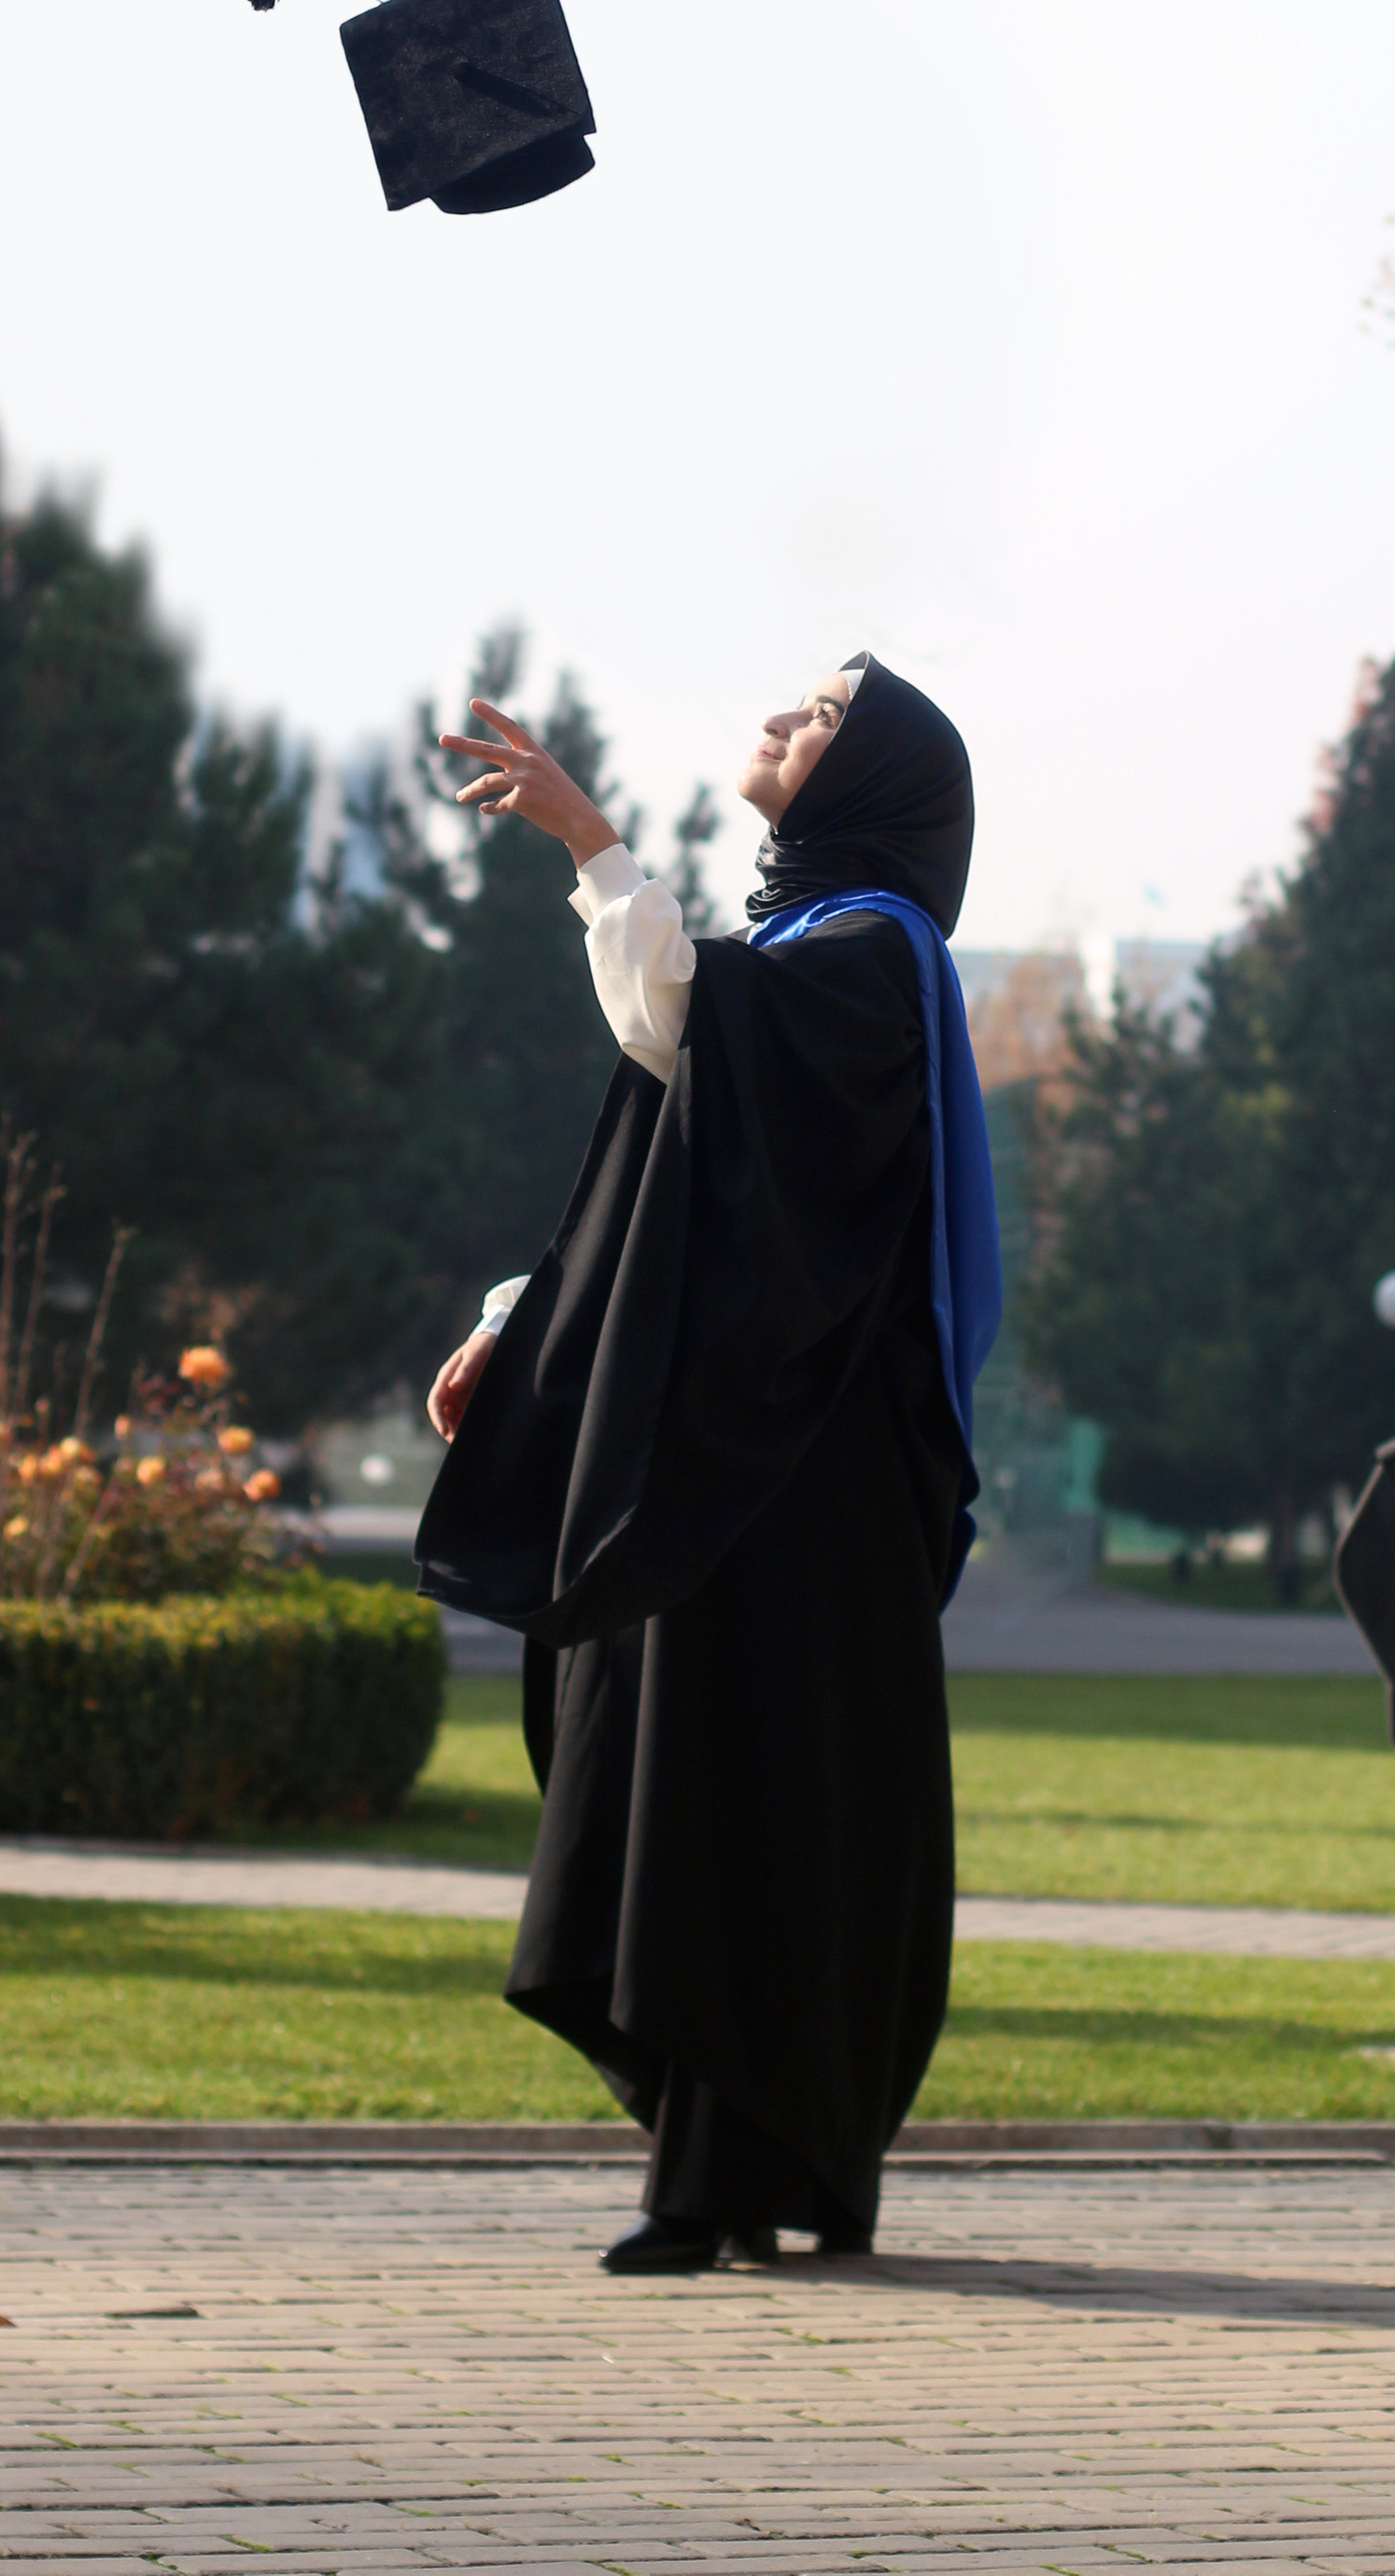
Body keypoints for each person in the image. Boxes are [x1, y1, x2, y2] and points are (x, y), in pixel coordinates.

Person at [415, 653, 1000, 2275]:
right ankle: (724, 2172)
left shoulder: (873, 960)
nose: (782, 723)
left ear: (871, 782)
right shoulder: (823, 953)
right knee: (693, 1792)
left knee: (753, 1806)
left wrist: (592, 842)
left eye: (820, 719)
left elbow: (691, 1045)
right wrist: (525, 1323)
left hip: (801, 1500)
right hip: (747, 1485)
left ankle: (737, 2178)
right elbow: (679, 1171)